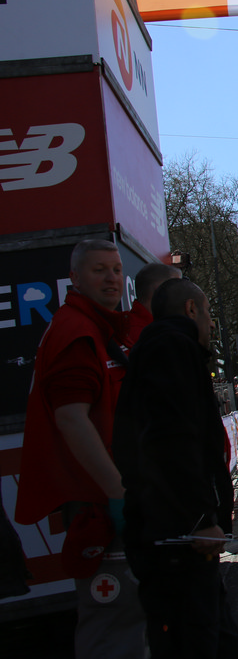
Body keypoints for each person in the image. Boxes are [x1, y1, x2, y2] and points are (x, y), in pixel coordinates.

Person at [14, 239, 145, 658]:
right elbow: (72, 420)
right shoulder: (78, 332)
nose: (111, 279)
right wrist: (118, 493)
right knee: (116, 621)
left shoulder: (93, 328)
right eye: (98, 270)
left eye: (116, 269)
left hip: (102, 500)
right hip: (98, 506)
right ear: (74, 277)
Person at [112, 278, 238, 658]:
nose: (212, 323)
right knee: (195, 640)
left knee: (217, 637)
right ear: (191, 309)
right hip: (179, 538)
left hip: (172, 533)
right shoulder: (172, 347)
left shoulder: (155, 347)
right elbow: (172, 439)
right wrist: (199, 518)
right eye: (208, 313)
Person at [127, 262, 181, 342]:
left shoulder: (125, 327)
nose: (181, 296)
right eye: (177, 289)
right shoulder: (153, 336)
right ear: (160, 291)